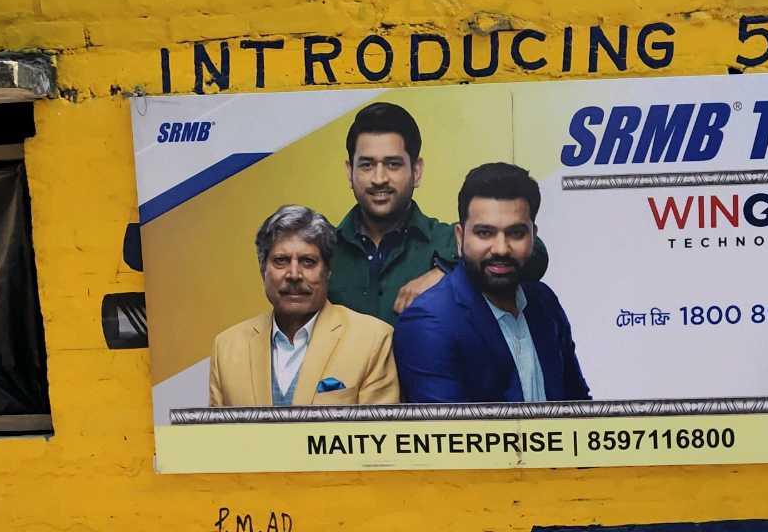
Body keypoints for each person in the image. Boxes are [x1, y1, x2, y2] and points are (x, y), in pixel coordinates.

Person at [327, 98, 547, 322]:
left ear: (417, 171)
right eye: (367, 165)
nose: (379, 178)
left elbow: (535, 252)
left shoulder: (449, 240)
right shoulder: (323, 251)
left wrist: (448, 273)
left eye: (393, 164)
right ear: (349, 172)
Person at [393, 163, 589, 405]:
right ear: (459, 237)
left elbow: (580, 406)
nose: (501, 249)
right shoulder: (429, 323)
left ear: (533, 236)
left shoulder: (543, 301)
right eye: (485, 233)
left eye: (516, 233)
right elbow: (447, 429)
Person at [207, 204, 398, 408]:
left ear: (328, 271)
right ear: (263, 270)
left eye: (308, 261)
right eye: (281, 261)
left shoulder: (372, 340)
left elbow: (375, 429)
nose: (294, 275)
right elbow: (216, 429)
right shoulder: (226, 347)